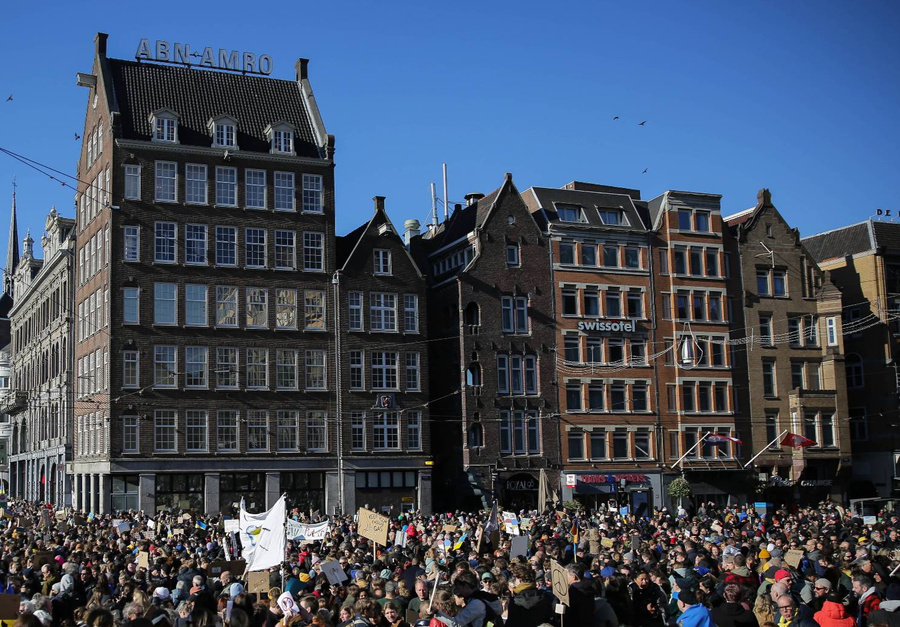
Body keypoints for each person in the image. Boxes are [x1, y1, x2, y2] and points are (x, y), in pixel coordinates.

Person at [432, 571, 502, 627]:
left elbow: (457, 624)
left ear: (466, 586)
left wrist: (437, 612)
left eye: (459, 588)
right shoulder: (488, 597)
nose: (458, 591)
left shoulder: (476, 603)